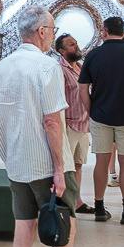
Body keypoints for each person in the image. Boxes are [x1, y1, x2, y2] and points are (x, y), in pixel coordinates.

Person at [0, 9, 90, 247]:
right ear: (43, 32)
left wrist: (9, 158)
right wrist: (60, 170)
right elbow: (51, 121)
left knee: (23, 234)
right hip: (46, 165)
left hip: (17, 164)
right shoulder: (47, 67)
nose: (53, 32)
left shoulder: (3, 67)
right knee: (66, 231)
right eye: (53, 28)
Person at [79, 15, 124, 223]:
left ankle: (100, 208)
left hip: (100, 116)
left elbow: (83, 87)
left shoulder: (94, 55)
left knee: (101, 161)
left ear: (104, 31)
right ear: (123, 31)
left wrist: (90, 109)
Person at [55, 32, 93, 214]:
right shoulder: (59, 70)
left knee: (78, 165)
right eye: (71, 44)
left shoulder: (81, 67)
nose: (76, 46)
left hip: (84, 125)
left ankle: (76, 201)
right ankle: (64, 202)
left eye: (76, 43)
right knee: (65, 167)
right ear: (61, 51)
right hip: (68, 125)